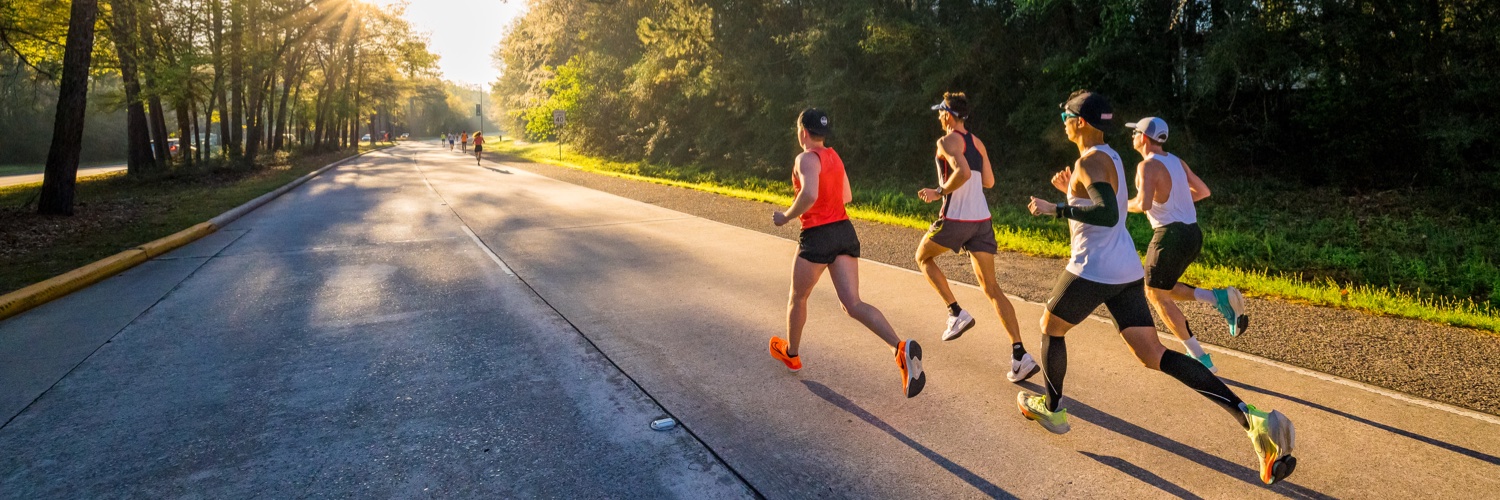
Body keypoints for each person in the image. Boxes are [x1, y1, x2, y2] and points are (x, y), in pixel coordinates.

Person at [1021, 91, 1295, 485]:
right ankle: (1252, 420)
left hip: (1092, 269)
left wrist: (1056, 207)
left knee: (1050, 327)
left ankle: (1053, 408)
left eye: (1065, 114)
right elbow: (1098, 195)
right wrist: (1070, 189)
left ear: (1080, 120)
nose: (1062, 120)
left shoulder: (1090, 160)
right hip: (1125, 270)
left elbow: (1107, 210)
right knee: (1153, 354)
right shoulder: (1110, 156)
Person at [768, 108, 926, 398]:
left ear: (803, 132)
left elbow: (810, 194)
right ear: (823, 134)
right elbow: (847, 197)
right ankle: (899, 348)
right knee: (852, 303)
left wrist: (787, 216)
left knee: (798, 297)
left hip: (817, 235)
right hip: (843, 230)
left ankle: (792, 354)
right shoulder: (834, 156)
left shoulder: (804, 158)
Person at [914, 92, 1036, 383]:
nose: (938, 117)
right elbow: (989, 181)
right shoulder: (977, 142)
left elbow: (964, 172)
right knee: (992, 288)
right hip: (981, 220)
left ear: (948, 115)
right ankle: (1020, 355)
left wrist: (939, 191)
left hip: (957, 218)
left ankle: (955, 312)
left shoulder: (945, 141)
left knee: (922, 257)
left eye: (940, 112)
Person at [1124, 117, 1249, 374]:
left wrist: (1119, 204)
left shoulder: (1146, 166)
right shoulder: (1176, 161)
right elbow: (1203, 191)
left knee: (1155, 294)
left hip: (1169, 235)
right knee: (1164, 289)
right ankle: (1218, 298)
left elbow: (1144, 204)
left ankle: (1200, 358)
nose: (1132, 137)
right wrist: (1176, 203)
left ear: (1144, 138)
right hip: (1192, 234)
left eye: (1134, 132)